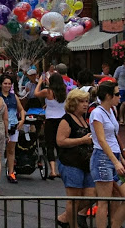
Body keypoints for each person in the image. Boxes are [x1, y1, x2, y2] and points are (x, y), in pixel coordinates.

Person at [55, 89, 95, 228]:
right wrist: (82, 140)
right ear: (73, 103)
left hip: (86, 162)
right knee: (74, 199)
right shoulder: (67, 119)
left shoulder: (84, 119)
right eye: (81, 101)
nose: (85, 104)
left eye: (86, 101)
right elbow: (60, 141)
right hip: (70, 163)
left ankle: (64, 217)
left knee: (92, 195)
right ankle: (73, 225)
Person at [89, 81, 125, 228]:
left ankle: (115, 224)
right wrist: (116, 162)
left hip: (114, 155)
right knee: (104, 201)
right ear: (108, 96)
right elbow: (102, 140)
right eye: (117, 94)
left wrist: (120, 158)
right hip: (102, 158)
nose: (119, 97)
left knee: (119, 196)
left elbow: (114, 137)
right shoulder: (97, 113)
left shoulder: (112, 111)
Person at [35, 72, 67, 179]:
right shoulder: (64, 91)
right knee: (60, 145)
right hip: (62, 120)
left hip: (50, 120)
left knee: (50, 145)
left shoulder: (48, 91)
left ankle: (52, 170)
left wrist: (40, 82)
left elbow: (36, 93)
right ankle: (62, 170)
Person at [0, 74, 25, 183]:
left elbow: (21, 109)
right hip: (1, 126)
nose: (7, 86)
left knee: (11, 150)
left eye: (9, 84)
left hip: (13, 126)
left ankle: (11, 172)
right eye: (5, 83)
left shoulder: (14, 96)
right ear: (1, 84)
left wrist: (22, 120)